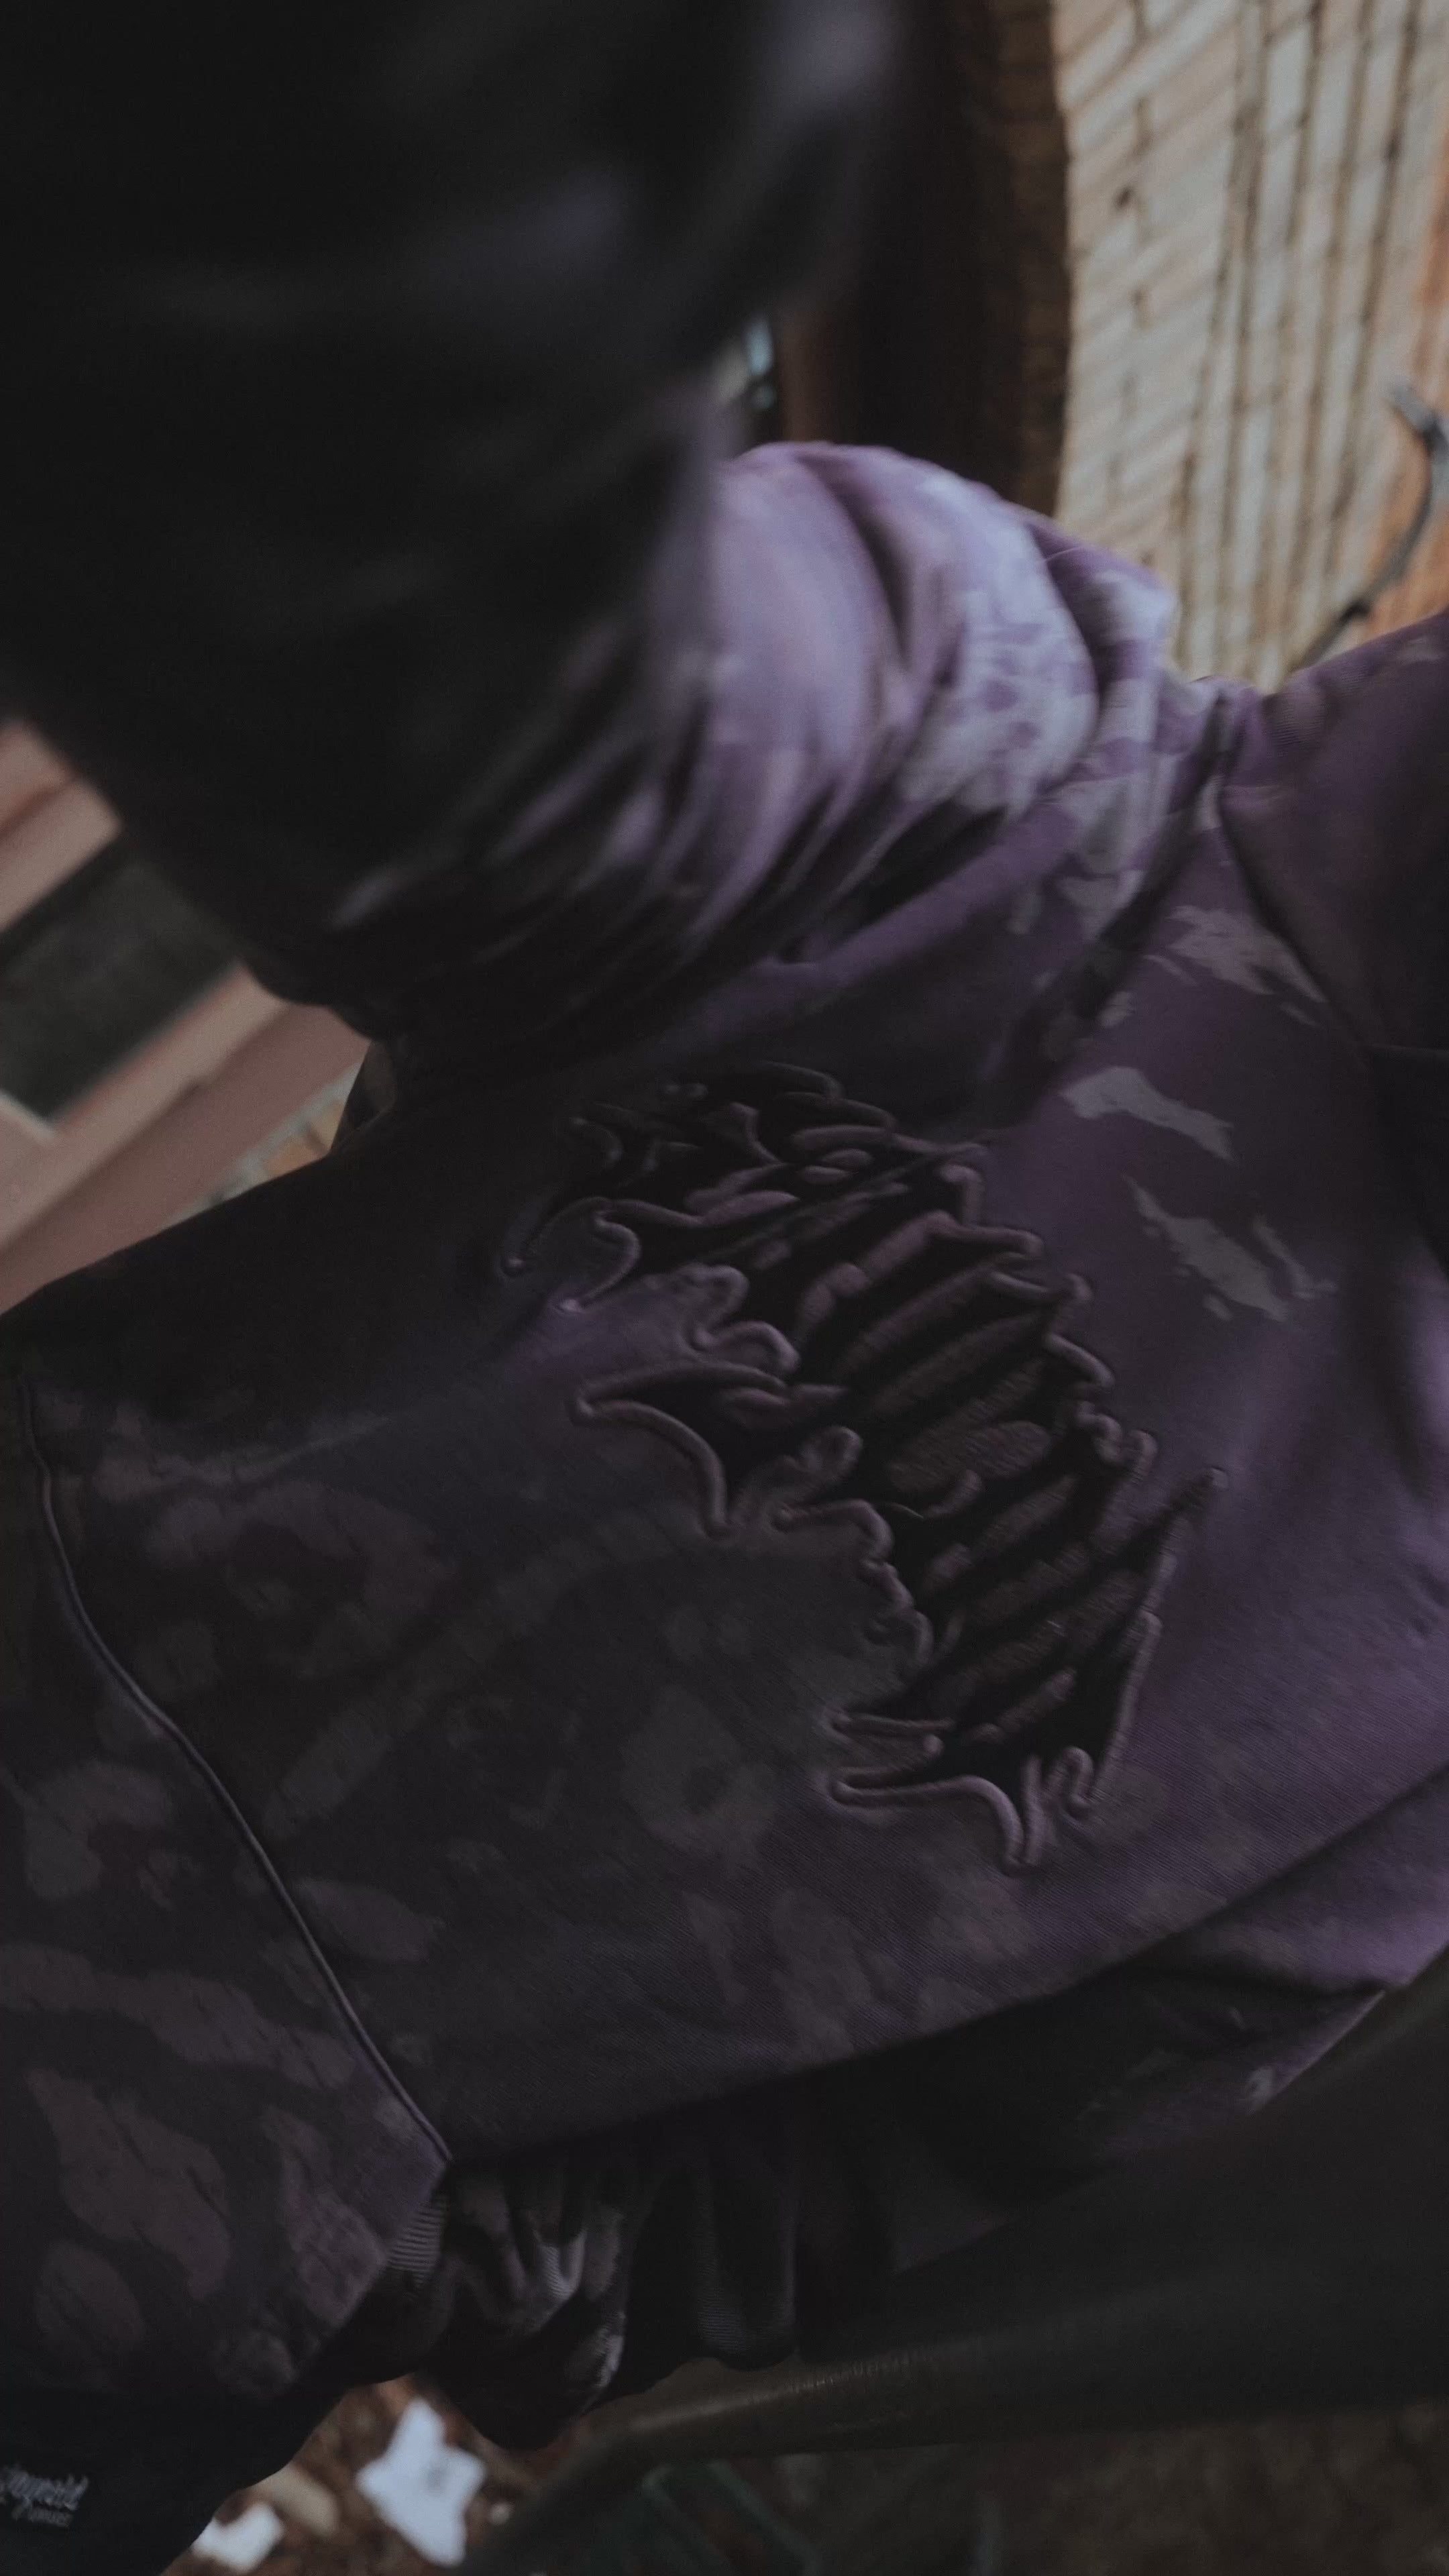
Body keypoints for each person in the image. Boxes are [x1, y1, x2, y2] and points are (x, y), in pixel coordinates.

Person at [4, 2, 1449, 2567]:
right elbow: (502, 713)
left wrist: (363, 2211)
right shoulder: (1032, 774)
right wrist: (386, 251)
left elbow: (866, 2185)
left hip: (87, 2367)